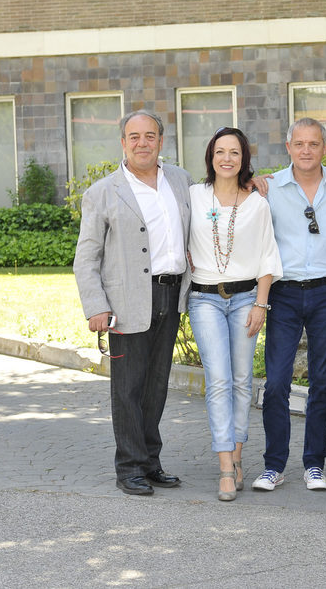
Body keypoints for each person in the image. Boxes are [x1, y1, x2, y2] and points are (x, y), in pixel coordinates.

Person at [73, 108, 191, 497]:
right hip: (125, 302)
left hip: (171, 294)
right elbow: (86, 257)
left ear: (161, 141)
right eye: (134, 137)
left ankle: (150, 462)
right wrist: (96, 305)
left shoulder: (180, 180)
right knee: (128, 388)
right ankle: (129, 467)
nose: (143, 143)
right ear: (123, 143)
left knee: (156, 386)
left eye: (150, 136)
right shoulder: (103, 192)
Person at [251, 118, 326, 492]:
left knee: (322, 382)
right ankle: (274, 465)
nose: (306, 150)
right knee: (277, 382)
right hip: (283, 293)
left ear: (325, 147)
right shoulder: (270, 188)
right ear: (288, 148)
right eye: (299, 144)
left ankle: (314, 464)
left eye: (314, 144)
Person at [186, 127, 282, 501]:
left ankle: (238, 456)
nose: (227, 159)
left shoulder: (257, 203)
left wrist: (261, 304)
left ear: (244, 160)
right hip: (205, 299)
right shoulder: (193, 196)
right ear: (211, 157)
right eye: (220, 152)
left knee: (242, 380)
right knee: (219, 380)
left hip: (246, 300)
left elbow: (267, 256)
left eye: (235, 153)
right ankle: (225, 466)